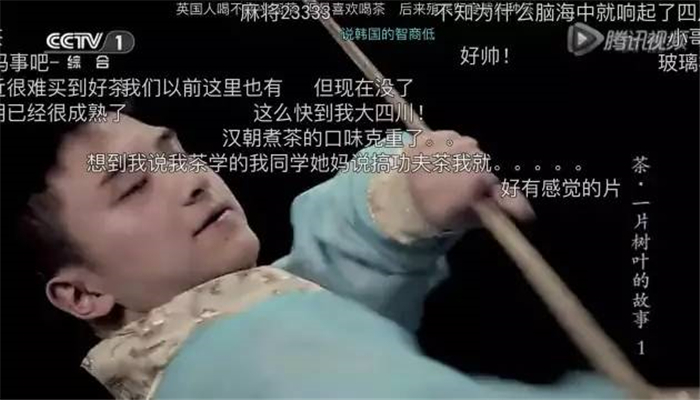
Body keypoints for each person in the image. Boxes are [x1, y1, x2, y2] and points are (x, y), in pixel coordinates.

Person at [18, 111, 624, 399]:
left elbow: (318, 293)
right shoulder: (236, 364)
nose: (192, 179)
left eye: (176, 154)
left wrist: (404, 197)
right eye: (132, 186)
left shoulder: (220, 349)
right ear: (82, 294)